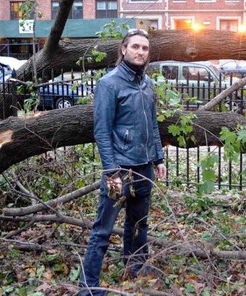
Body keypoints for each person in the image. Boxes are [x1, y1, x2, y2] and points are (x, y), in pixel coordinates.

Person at [80, 28, 167, 295]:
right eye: (135, 47)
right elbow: (101, 131)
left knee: (139, 223)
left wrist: (158, 157)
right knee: (103, 229)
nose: (140, 52)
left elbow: (151, 123)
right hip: (119, 170)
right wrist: (111, 171)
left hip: (143, 168)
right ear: (123, 49)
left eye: (145, 48)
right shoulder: (109, 84)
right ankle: (88, 287)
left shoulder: (147, 84)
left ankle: (135, 265)